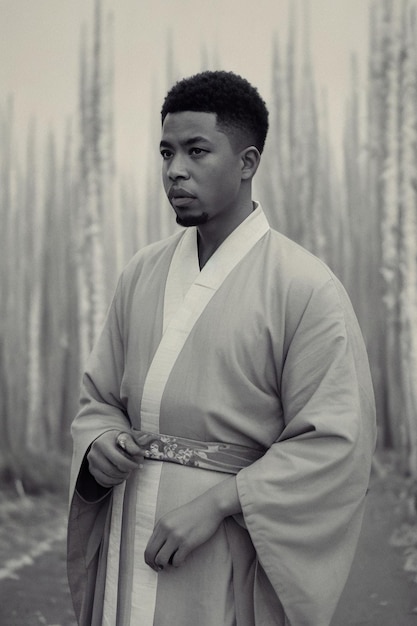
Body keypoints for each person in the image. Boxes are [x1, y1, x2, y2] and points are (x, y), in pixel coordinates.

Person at [67, 70, 376, 626]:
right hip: (126, 526)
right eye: (166, 152)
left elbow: (334, 442)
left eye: (196, 150)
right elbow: (99, 398)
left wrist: (215, 505)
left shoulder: (304, 286)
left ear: (247, 162)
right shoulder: (140, 272)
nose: (174, 170)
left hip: (223, 548)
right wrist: (102, 442)